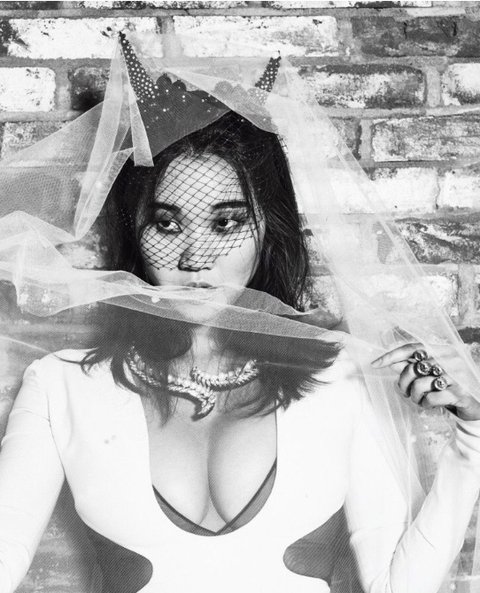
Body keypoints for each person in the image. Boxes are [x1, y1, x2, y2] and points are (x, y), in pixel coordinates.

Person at [1, 31, 480, 593]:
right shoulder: (59, 386)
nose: (194, 257)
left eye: (227, 222)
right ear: (135, 232)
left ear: (267, 230)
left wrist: (471, 438)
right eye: (167, 223)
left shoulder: (344, 375)